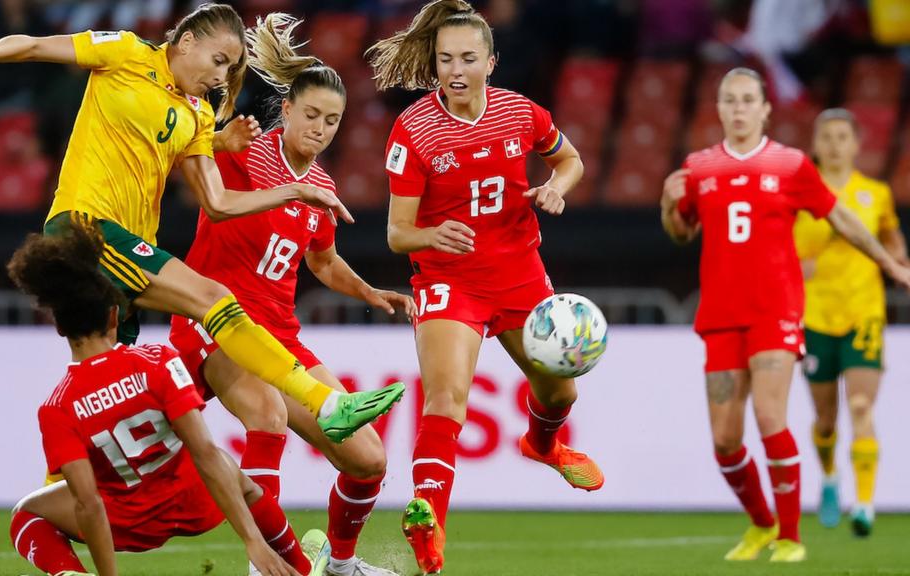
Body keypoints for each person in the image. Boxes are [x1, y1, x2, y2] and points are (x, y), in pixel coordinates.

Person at [0, 2, 403, 446]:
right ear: (186, 41)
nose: (221, 76)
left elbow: (217, 203)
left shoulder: (199, 115)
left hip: (128, 251)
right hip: (86, 227)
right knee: (215, 297)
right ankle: (325, 402)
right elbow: (36, 45)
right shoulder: (126, 52)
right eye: (218, 60)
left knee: (114, 403)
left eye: (230, 68)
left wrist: (261, 169)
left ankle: (53, 498)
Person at [168, 14, 413, 576]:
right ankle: (267, 566)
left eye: (332, 120)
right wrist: (213, 139)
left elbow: (321, 261)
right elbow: (198, 181)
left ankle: (341, 566)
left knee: (368, 459)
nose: (321, 128)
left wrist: (370, 291)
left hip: (279, 338)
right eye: (311, 115)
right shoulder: (243, 151)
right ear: (286, 110)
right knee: (268, 415)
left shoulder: (323, 187)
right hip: (215, 320)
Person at [365, 1, 600, 573]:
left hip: (520, 274)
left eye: (468, 58)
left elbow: (571, 161)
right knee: (446, 399)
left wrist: (555, 187)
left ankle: (543, 445)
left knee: (561, 394)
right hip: (449, 279)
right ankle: (429, 524)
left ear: (491, 62)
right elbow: (397, 234)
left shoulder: (521, 114)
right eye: (445, 59)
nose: (456, 70)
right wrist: (430, 233)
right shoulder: (413, 129)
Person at [660, 68, 910, 563]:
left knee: (770, 415)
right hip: (721, 314)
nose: (738, 109)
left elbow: (839, 216)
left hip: (775, 310)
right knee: (725, 441)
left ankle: (791, 536)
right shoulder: (700, 167)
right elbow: (680, 234)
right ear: (720, 107)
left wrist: (889, 263)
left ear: (765, 108)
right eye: (729, 100)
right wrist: (668, 207)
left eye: (747, 100)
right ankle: (761, 525)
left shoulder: (792, 164)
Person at [5, 223, 327, 576]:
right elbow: (203, 450)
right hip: (197, 504)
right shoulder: (158, 360)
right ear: (115, 315)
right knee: (241, 480)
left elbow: (87, 503)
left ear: (60, 328)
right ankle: (298, 565)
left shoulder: (56, 407)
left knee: (25, 513)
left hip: (126, 522)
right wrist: (252, 541)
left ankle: (70, 573)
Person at [793, 108, 908, 536]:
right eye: (828, 136)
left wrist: (899, 258)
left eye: (844, 136)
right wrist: (794, 264)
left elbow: (892, 236)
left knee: (861, 407)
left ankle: (864, 504)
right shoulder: (800, 193)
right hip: (815, 317)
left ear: (857, 144)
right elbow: (779, 246)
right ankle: (828, 479)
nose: (836, 144)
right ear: (817, 144)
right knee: (826, 419)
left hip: (864, 314)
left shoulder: (874, 193)